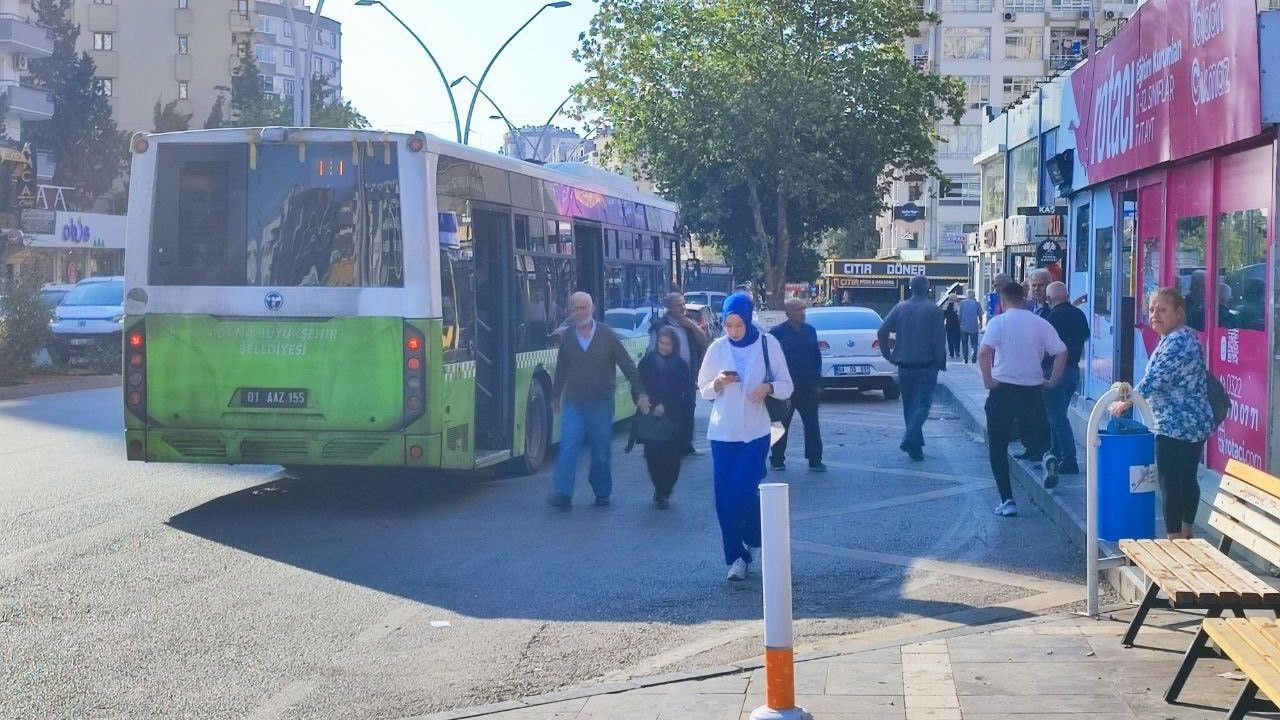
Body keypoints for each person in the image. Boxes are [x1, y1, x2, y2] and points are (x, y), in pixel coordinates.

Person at [698, 292, 794, 581]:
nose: (734, 331)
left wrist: (767, 388)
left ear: (748, 319)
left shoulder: (768, 343)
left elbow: (787, 385)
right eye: (728, 325)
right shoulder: (717, 348)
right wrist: (717, 382)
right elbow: (703, 389)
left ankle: (755, 536)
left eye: (738, 325)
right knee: (723, 499)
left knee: (743, 490)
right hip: (722, 433)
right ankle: (736, 557)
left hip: (756, 433)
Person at [1109, 288, 1214, 539]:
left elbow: (1156, 378)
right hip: (1192, 421)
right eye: (1152, 309)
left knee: (1170, 482)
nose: (1155, 314)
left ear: (1179, 313)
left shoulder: (1178, 340)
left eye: (1162, 310)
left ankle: (1175, 540)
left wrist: (1126, 402)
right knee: (1185, 478)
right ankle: (1185, 534)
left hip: (1175, 424)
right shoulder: (1180, 336)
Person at [548, 291, 650, 509]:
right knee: (568, 446)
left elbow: (627, 365)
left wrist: (640, 392)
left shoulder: (607, 335)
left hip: (601, 404)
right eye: (575, 308)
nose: (579, 312)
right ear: (570, 311)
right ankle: (563, 493)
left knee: (600, 450)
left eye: (583, 307)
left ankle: (602, 491)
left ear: (592, 308)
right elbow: (561, 369)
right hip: (574, 402)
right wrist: (555, 395)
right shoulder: (567, 337)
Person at [978, 282, 1067, 517]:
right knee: (1036, 434)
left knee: (998, 446)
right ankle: (1047, 455)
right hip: (1032, 389)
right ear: (1025, 298)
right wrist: (1052, 380)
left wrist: (988, 380)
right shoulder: (1040, 323)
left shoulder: (998, 322)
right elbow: (1061, 351)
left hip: (1003, 389)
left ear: (1003, 301)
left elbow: (984, 352)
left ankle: (1007, 501)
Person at [877, 275, 946, 461]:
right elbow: (939, 340)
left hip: (904, 365)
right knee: (923, 405)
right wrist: (941, 362)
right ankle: (910, 438)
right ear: (928, 288)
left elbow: (882, 331)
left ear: (910, 287)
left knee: (909, 406)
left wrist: (887, 354)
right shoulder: (934, 310)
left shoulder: (900, 307)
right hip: (927, 365)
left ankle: (915, 448)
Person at [637, 326, 693, 508]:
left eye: (668, 344)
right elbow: (638, 386)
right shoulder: (647, 363)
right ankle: (659, 489)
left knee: (672, 459)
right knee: (653, 456)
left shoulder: (680, 365)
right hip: (651, 417)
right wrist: (642, 400)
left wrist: (667, 405)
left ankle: (665, 491)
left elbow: (684, 391)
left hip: (674, 418)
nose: (664, 347)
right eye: (662, 343)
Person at [649, 292, 709, 455]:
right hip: (667, 377)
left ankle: (686, 444)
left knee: (688, 408)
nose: (683, 308)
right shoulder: (660, 326)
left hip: (687, 376)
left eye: (684, 304)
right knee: (669, 410)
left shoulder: (689, 323)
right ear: (669, 307)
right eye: (678, 305)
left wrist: (691, 325)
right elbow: (652, 351)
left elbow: (704, 342)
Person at [769, 298, 825, 472]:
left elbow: (817, 358)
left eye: (803, 309)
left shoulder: (810, 331)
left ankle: (815, 460)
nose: (802, 313)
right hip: (786, 388)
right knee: (780, 424)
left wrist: (818, 383)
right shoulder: (777, 333)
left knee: (812, 424)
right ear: (788, 313)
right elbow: (771, 361)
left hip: (807, 386)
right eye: (798, 310)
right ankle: (777, 459)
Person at [1042, 281, 1089, 478]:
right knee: (1058, 413)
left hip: (1056, 371)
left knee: (1056, 417)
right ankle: (1056, 454)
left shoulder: (1053, 316)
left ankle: (1069, 459)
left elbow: (1045, 345)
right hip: (1073, 372)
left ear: (1049, 299)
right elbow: (1085, 336)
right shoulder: (1078, 314)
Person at [958, 289, 984, 363]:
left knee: (964, 343)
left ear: (966, 295)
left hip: (964, 325)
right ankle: (974, 352)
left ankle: (965, 358)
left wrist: (959, 322)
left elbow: (959, 315)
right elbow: (980, 315)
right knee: (974, 342)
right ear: (974, 295)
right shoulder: (977, 303)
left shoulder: (962, 303)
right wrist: (981, 324)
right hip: (974, 325)